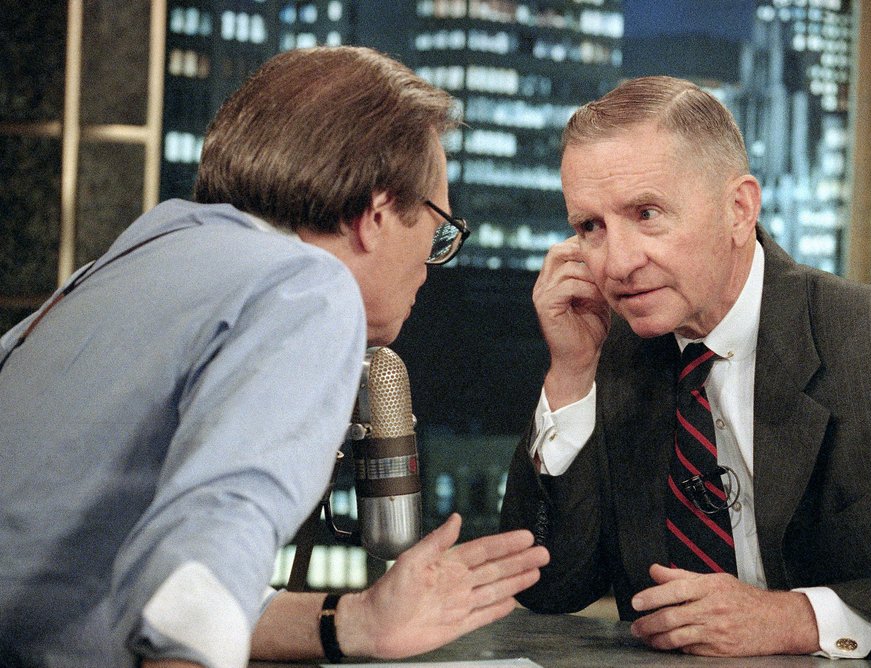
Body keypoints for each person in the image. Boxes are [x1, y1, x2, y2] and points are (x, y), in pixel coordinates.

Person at [0, 46, 548, 668]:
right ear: (375, 215)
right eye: (438, 226)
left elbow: (122, 585)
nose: (431, 259)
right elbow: (199, 571)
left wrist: (359, 621)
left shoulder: (145, 251)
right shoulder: (309, 288)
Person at [499, 75, 871, 660]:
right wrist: (571, 375)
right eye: (591, 227)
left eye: (647, 213)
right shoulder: (604, 352)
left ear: (739, 209)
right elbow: (549, 588)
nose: (618, 262)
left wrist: (796, 619)